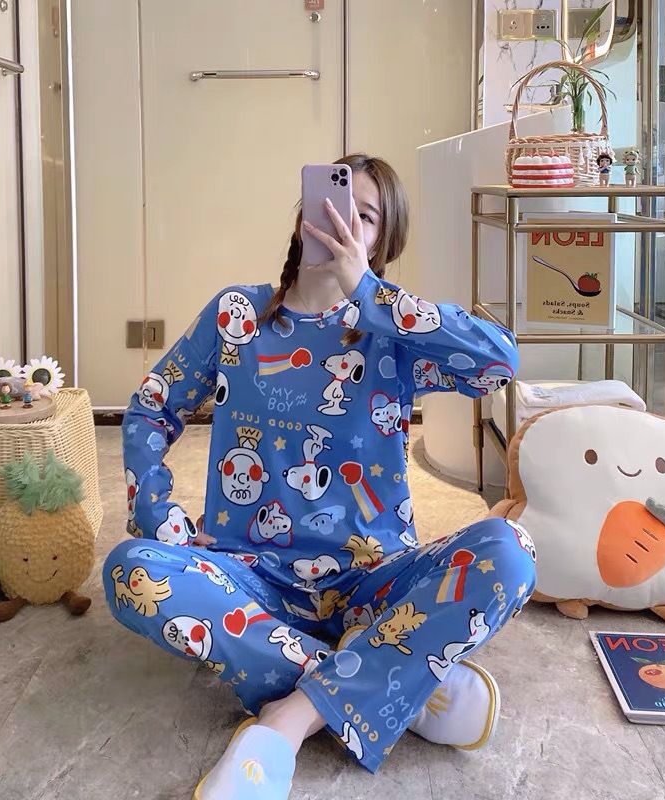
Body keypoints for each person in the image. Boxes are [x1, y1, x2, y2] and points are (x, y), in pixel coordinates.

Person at [104, 154, 537, 800]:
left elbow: (498, 362)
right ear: (303, 213)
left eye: (365, 216)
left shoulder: (390, 334)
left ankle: (288, 720)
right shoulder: (237, 316)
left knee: (512, 551)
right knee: (132, 571)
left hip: (374, 580)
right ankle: (396, 678)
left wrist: (372, 294)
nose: (341, 221)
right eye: (331, 203)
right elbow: (151, 405)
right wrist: (162, 518)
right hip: (251, 577)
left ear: (381, 244)